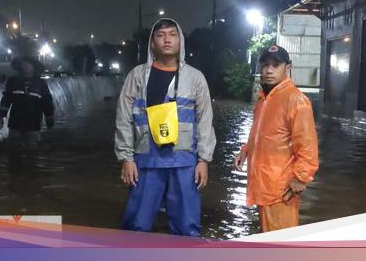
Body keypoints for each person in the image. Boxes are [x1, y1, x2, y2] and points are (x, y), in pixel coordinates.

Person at [114, 18, 216, 236]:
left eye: (172, 34)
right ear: (152, 43)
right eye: (161, 35)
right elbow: (124, 117)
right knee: (136, 225)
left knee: (187, 226)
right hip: (146, 159)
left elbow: (205, 119)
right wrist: (126, 158)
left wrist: (204, 160)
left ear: (181, 41)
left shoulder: (195, 78)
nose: (167, 39)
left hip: (184, 161)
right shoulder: (138, 75)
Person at [233, 45, 319, 233]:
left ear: (287, 68)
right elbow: (263, 133)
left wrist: (300, 178)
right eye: (265, 65)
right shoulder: (264, 98)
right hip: (263, 184)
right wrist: (246, 150)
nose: (269, 70)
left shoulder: (296, 100)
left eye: (275, 65)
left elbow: (307, 147)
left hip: (281, 190)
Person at [0, 56, 55, 169]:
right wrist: (1, 116)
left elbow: (47, 101)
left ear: (34, 67)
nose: (26, 66)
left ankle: (30, 175)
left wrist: (49, 118)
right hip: (15, 121)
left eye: (29, 64)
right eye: (24, 64)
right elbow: (6, 99)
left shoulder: (41, 83)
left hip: (33, 122)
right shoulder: (13, 81)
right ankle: (14, 173)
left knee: (32, 150)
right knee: (14, 150)